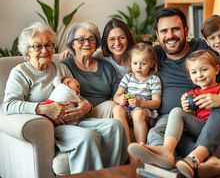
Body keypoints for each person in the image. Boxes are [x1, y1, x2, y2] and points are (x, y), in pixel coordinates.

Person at [127, 7, 220, 178]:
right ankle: (168, 162)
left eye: (175, 29)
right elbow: (127, 54)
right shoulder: (154, 55)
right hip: (192, 115)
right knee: (159, 131)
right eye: (164, 31)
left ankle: (196, 159)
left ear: (186, 31)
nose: (170, 35)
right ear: (158, 35)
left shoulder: (207, 47)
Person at [2, 22, 127, 173]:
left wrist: (86, 107)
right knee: (87, 136)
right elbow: (8, 105)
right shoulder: (20, 72)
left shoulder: (61, 68)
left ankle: (111, 173)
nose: (44, 50)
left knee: (115, 126)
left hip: (73, 119)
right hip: (50, 126)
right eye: (37, 46)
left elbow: (77, 95)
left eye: (48, 45)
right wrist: (43, 109)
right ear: (27, 51)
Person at [128, 50, 220, 176]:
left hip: (214, 128)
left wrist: (211, 100)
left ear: (216, 69)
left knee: (177, 112)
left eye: (204, 69)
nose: (199, 75)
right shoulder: (193, 94)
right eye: (194, 72)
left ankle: (167, 151)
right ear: (190, 77)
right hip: (198, 128)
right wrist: (187, 108)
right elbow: (192, 117)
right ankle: (211, 162)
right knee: (169, 134)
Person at [60, 21, 122, 118]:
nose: (87, 43)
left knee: (116, 107)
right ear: (72, 44)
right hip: (78, 112)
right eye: (81, 40)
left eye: (91, 39)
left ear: (96, 43)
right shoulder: (65, 66)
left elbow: (117, 94)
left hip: (106, 111)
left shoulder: (107, 67)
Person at [113, 43, 162, 147]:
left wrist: (140, 102)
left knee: (138, 113)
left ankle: (140, 147)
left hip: (145, 113)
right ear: (130, 63)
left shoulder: (154, 80)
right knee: (117, 109)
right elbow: (116, 96)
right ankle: (127, 146)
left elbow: (156, 103)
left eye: (143, 64)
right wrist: (120, 99)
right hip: (128, 109)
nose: (138, 67)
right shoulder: (128, 77)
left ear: (152, 63)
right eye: (135, 63)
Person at [60, 18, 136, 79]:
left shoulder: (138, 57)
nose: (117, 43)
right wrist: (71, 50)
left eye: (122, 37)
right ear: (106, 41)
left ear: (128, 38)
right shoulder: (101, 56)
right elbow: (86, 52)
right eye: (112, 39)